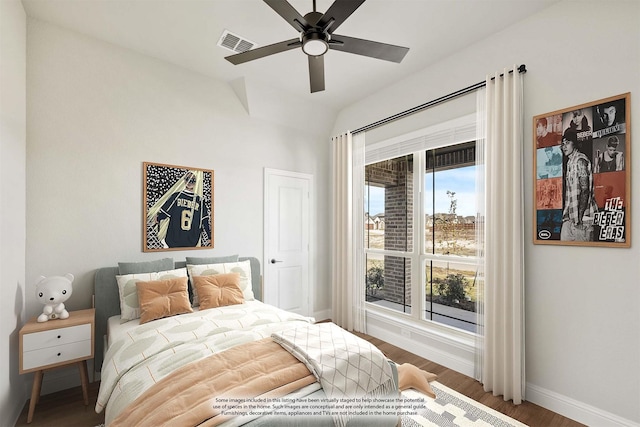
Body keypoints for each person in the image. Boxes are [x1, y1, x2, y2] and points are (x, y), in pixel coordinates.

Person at [560, 128, 598, 241]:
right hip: (570, 217)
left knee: (583, 256)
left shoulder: (581, 160)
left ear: (574, 144)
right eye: (562, 144)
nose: (564, 146)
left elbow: (585, 189)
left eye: (567, 143)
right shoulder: (570, 162)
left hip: (583, 218)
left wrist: (579, 217)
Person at [156, 171, 209, 247]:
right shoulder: (200, 200)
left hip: (174, 239)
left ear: (184, 181)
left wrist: (158, 217)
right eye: (189, 179)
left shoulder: (176, 196)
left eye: (192, 180)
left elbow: (164, 214)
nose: (190, 182)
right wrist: (209, 236)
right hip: (192, 240)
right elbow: (205, 221)